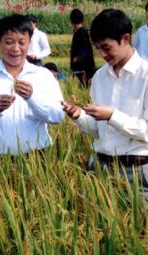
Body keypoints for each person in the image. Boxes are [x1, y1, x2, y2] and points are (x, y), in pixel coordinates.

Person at [62, 9, 148, 198]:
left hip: (137, 172)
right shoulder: (100, 77)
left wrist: (112, 115)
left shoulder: (145, 76)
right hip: (100, 170)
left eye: (106, 47)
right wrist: (78, 116)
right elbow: (99, 130)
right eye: (97, 48)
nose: (101, 54)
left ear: (126, 39)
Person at [0, 14, 65, 156]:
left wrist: (32, 98)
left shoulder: (43, 76)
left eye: (22, 43)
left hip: (37, 158)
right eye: (9, 42)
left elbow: (58, 115)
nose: (16, 48)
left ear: (29, 43)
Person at [69, 9, 96, 87]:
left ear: (72, 21)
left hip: (83, 70)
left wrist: (76, 59)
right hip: (82, 69)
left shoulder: (81, 32)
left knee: (82, 90)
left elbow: (84, 50)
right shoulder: (80, 32)